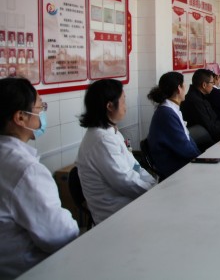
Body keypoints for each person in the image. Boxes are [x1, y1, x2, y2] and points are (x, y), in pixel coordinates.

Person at [0, 77, 79, 278]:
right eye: (40, 107)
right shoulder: (26, 170)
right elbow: (59, 235)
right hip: (32, 269)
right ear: (20, 117)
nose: (42, 113)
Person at [75, 79, 156, 225]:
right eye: (123, 101)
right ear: (110, 106)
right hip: (115, 215)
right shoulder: (102, 140)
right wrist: (154, 190)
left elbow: (135, 166)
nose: (126, 107)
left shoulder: (111, 132)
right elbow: (125, 181)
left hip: (128, 205)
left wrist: (152, 183)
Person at [147, 72, 200, 180]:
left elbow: (187, 139)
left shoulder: (171, 109)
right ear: (179, 89)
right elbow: (183, 146)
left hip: (180, 160)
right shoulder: (166, 113)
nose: (185, 89)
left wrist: (200, 156)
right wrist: (201, 158)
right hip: (174, 167)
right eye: (184, 85)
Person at [181, 68, 220, 146]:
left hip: (214, 135)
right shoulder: (195, 101)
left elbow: (215, 120)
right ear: (204, 85)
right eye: (212, 83)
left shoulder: (202, 97)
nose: (213, 85)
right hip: (206, 142)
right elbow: (210, 127)